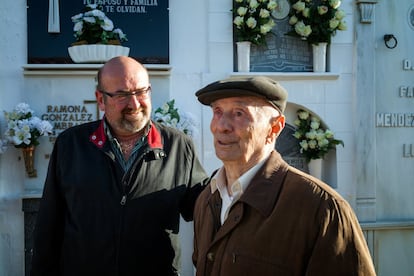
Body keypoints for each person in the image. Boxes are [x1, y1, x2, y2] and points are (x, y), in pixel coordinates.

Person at [30, 56, 208, 276]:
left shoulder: (179, 145)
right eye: (122, 95)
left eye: (142, 92)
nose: (134, 104)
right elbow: (48, 226)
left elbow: (204, 209)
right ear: (100, 99)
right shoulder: (70, 145)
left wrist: (236, 170)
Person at [192, 76, 376, 276]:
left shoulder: (323, 209)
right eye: (217, 112)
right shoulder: (207, 200)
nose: (221, 126)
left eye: (239, 113)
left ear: (275, 128)